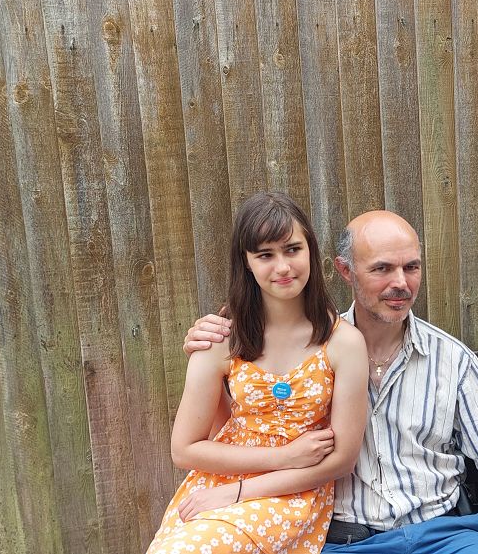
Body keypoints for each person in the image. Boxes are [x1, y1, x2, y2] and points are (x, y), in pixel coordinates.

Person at [183, 210, 478, 554]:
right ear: (345, 271)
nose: (401, 283)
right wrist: (212, 344)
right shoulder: (309, 357)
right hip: (344, 540)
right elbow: (246, 421)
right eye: (382, 268)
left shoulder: (453, 361)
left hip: (444, 536)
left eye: (412, 267)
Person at [147, 192, 369, 554]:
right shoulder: (221, 338)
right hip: (216, 485)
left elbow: (341, 460)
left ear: (311, 251)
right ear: (247, 263)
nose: (282, 267)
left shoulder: (343, 343)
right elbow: (184, 449)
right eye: (265, 255)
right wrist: (280, 457)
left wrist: (242, 491)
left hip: (292, 492)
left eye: (292, 249)